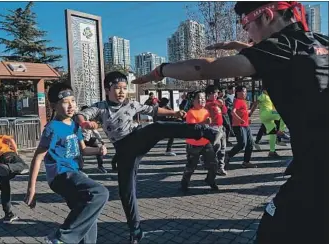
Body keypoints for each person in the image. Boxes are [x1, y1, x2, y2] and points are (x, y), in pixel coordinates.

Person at [131, 1, 328, 243]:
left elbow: (203, 69)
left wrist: (160, 71)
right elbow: (287, 57)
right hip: (315, 164)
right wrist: (238, 46)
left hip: (318, 169)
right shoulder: (320, 40)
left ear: (266, 16)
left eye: (246, 24)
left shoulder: (281, 48)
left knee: (272, 232)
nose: (247, 32)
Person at [76, 71, 221, 244]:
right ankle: (135, 231)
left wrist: (174, 114)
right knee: (126, 192)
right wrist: (85, 123)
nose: (122, 92)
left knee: (157, 127)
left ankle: (205, 131)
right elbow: (82, 114)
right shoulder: (101, 107)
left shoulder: (131, 104)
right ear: (107, 89)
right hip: (124, 150)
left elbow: (153, 110)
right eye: (117, 88)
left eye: (124, 88)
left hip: (137, 139)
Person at [24, 83, 109, 244]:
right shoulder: (52, 128)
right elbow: (38, 157)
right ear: (54, 105)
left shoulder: (74, 125)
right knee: (100, 193)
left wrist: (98, 150)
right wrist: (31, 189)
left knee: (87, 216)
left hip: (74, 173)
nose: (71, 105)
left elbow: (83, 150)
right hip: (61, 175)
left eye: (73, 101)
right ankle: (61, 237)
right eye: (65, 102)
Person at [182, 91, 219, 191]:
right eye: (199, 98)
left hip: (206, 143)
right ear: (193, 101)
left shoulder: (206, 111)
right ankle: (184, 184)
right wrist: (204, 122)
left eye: (203, 98)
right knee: (191, 166)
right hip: (193, 144)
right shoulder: (190, 113)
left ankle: (210, 180)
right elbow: (193, 128)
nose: (202, 100)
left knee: (214, 164)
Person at [249, 89, 289, 156]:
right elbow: (256, 103)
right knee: (283, 114)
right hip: (266, 114)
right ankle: (281, 131)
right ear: (264, 90)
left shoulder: (269, 97)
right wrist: (251, 112)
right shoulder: (263, 95)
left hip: (266, 118)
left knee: (272, 133)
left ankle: (272, 152)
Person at [225, 85, 256, 168]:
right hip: (238, 125)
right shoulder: (237, 101)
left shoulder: (244, 101)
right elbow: (233, 112)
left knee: (250, 144)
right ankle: (227, 155)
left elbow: (246, 112)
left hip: (246, 125)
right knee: (242, 143)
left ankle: (246, 162)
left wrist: (253, 107)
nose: (245, 93)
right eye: (243, 91)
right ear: (237, 92)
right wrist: (239, 119)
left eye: (245, 91)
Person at [205, 85, 228, 176]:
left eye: (216, 93)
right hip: (213, 128)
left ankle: (220, 167)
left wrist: (222, 105)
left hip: (221, 127)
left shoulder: (218, 103)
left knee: (223, 148)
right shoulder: (207, 104)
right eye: (213, 93)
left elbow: (225, 112)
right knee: (215, 148)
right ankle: (209, 164)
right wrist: (216, 103)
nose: (215, 95)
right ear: (208, 94)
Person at [80, 105, 107, 173]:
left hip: (90, 139)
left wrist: (101, 140)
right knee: (79, 153)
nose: (86, 114)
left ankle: (100, 166)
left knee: (99, 150)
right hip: (81, 139)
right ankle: (79, 169)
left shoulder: (90, 121)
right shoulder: (78, 120)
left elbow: (95, 131)